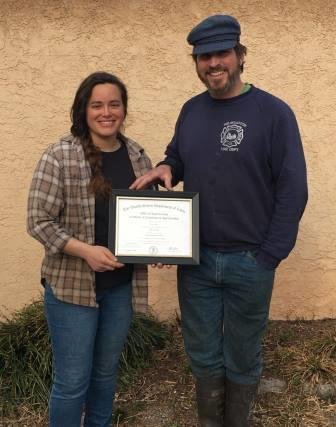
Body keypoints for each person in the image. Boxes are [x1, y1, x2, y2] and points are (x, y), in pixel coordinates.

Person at [130, 15, 308, 427]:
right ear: (196, 62)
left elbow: (293, 190)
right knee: (203, 351)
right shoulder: (191, 111)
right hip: (197, 260)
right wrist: (164, 165)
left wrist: (270, 255)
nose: (213, 63)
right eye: (203, 56)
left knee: (243, 354)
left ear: (239, 56)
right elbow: (178, 155)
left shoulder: (274, 113)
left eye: (221, 53)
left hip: (251, 260)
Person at [27, 71, 153, 426]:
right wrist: (86, 251)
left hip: (120, 288)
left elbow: (149, 216)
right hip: (72, 291)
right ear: (84, 110)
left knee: (105, 375)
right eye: (97, 105)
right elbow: (38, 221)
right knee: (71, 383)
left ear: (124, 109)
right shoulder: (59, 156)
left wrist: (158, 247)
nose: (106, 112)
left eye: (114, 103)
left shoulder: (138, 155)